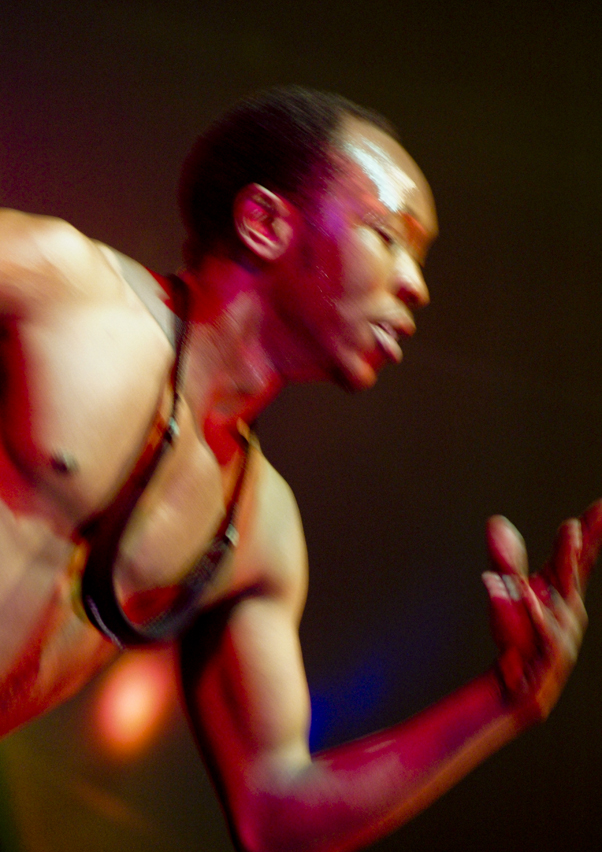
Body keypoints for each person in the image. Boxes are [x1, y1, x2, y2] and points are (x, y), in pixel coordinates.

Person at [0, 86, 599, 852]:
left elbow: (274, 814)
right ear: (266, 223)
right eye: (389, 235)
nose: (416, 284)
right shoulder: (58, 292)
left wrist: (508, 701)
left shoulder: (261, 531)